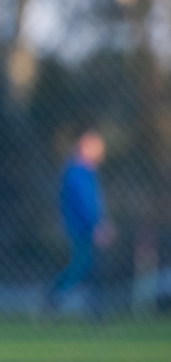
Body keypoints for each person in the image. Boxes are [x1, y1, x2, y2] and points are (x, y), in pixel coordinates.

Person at [47, 129, 114, 313]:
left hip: (87, 226)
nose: (100, 152)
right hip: (81, 228)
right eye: (96, 148)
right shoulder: (77, 173)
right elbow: (84, 204)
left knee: (91, 266)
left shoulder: (87, 172)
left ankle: (93, 306)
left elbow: (94, 203)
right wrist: (96, 226)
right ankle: (55, 296)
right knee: (82, 265)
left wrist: (102, 222)